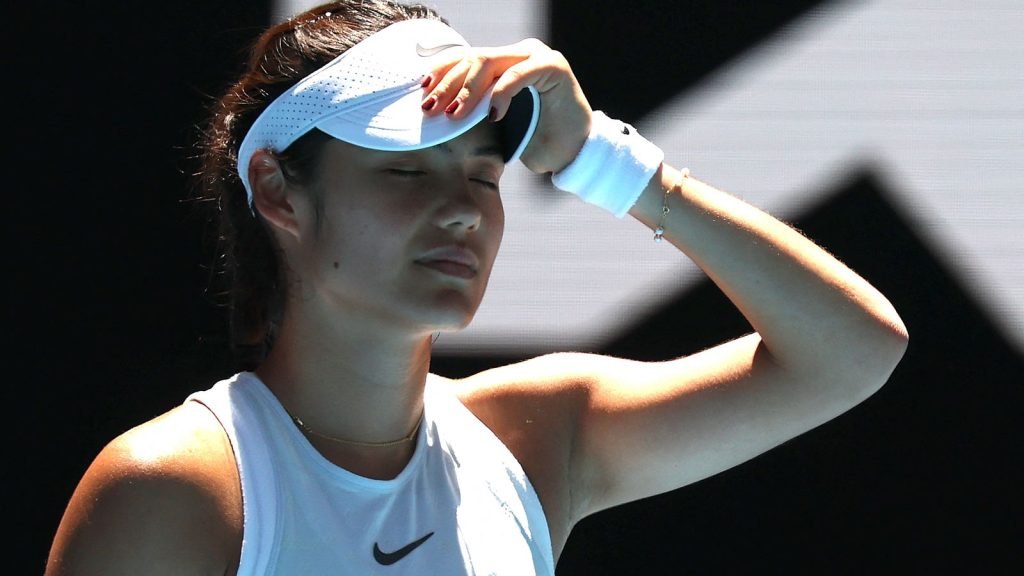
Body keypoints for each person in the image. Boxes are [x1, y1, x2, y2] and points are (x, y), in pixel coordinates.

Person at [45, 1, 909, 574]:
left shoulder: (539, 434)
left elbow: (855, 351)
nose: (461, 210)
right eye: (406, 173)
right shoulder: (173, 486)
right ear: (277, 190)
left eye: (483, 176)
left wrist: (604, 162)